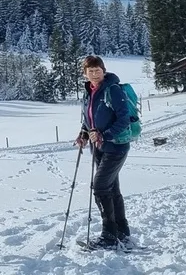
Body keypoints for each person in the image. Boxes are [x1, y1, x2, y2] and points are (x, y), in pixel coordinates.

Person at [75, 54, 132, 249]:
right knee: (112, 189)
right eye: (90, 71)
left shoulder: (112, 90)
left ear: (104, 70)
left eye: (97, 70)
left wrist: (104, 135)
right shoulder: (89, 92)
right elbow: (88, 119)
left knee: (100, 187)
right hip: (98, 147)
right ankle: (122, 233)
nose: (94, 74)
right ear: (85, 73)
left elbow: (124, 118)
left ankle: (108, 236)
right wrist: (83, 134)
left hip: (116, 146)